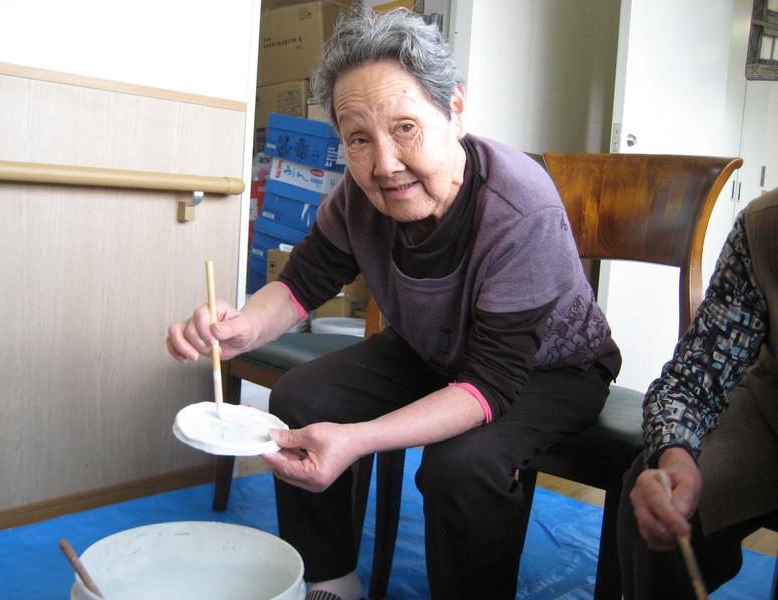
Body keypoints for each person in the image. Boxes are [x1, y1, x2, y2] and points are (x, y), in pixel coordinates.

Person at [167, 8, 620, 600]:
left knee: (460, 466)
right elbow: (303, 282)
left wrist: (360, 438)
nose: (384, 164)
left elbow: (491, 382)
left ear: (455, 109)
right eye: (359, 138)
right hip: (434, 350)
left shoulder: (519, 209)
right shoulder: (360, 194)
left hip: (545, 371)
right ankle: (332, 582)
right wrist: (242, 328)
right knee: (302, 395)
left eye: (405, 127)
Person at [618, 187, 778, 599]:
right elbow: (694, 378)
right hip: (771, 409)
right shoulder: (764, 226)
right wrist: (675, 453)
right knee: (658, 491)